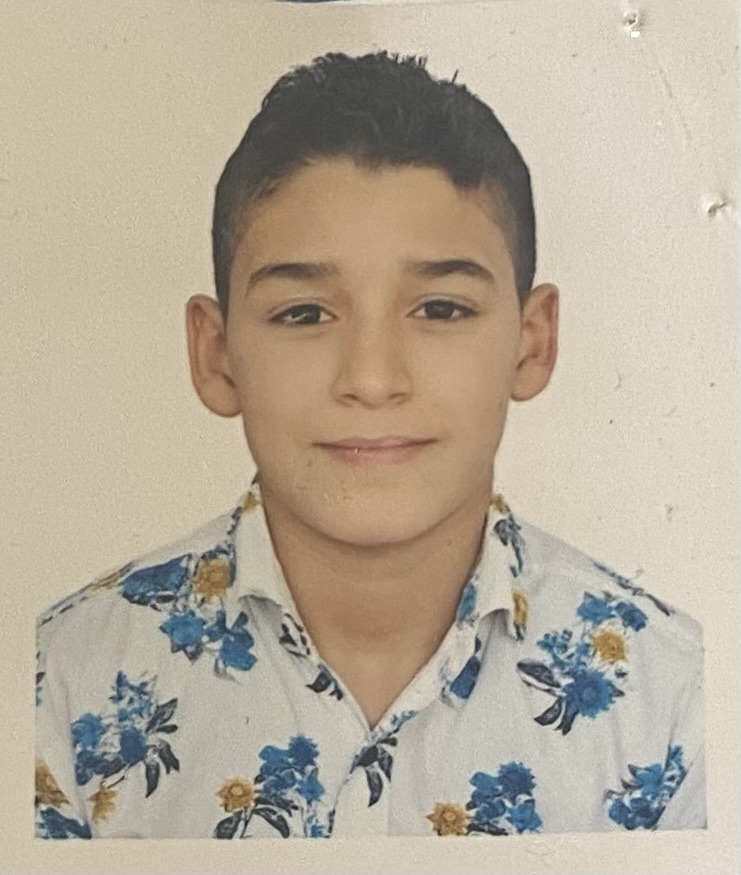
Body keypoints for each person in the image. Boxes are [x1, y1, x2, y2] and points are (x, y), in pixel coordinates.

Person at [35, 51, 705, 839]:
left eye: (441, 309)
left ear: (532, 342)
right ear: (216, 354)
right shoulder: (58, 686)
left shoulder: (677, 699)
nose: (372, 378)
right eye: (304, 314)